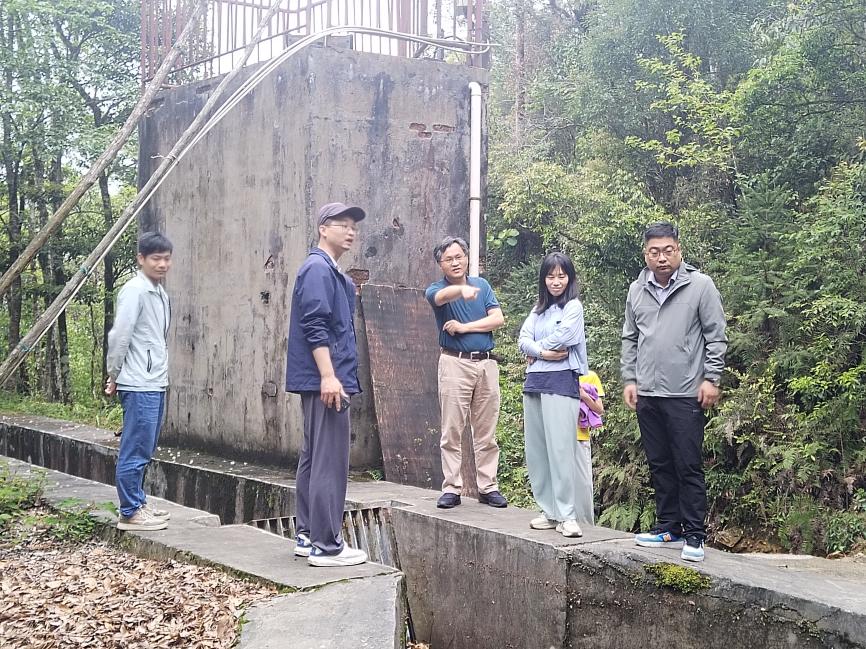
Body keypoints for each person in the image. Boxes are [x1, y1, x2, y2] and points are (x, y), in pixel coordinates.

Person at [621, 222, 727, 563]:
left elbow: (716, 336)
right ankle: (669, 526)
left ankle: (694, 534)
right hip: (647, 392)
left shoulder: (700, 286)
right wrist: (630, 379)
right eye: (655, 252)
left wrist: (711, 378)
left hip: (685, 393)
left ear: (679, 250)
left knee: (688, 464)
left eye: (668, 250)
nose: (662, 257)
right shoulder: (637, 289)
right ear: (645, 255)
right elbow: (630, 338)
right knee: (659, 463)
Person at [285, 202, 368, 567]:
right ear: (322, 228)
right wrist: (329, 376)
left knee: (314, 456)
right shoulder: (318, 269)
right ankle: (326, 545)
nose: (350, 231)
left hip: (323, 378)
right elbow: (315, 325)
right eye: (342, 224)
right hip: (327, 379)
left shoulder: (331, 272)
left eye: (354, 227)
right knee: (329, 461)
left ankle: (307, 536)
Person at [425, 236, 508, 509]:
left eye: (459, 256)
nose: (455, 262)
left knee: (486, 430)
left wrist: (464, 327)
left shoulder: (482, 286)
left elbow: (498, 319)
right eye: (448, 259)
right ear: (441, 264)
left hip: (486, 364)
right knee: (452, 429)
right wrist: (460, 291)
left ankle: (488, 486)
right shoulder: (436, 289)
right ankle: (452, 487)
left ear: (467, 257)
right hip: (454, 363)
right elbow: (440, 298)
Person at [105, 232, 173, 532]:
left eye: (166, 258)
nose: (162, 264)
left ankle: (138, 502)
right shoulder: (135, 291)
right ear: (141, 259)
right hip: (139, 382)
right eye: (156, 258)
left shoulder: (158, 292)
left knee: (146, 447)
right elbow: (120, 335)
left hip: (154, 380)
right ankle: (130, 511)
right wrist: (114, 373)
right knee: (135, 448)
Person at [519, 252, 589, 537]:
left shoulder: (573, 306)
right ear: (543, 280)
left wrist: (537, 349)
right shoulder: (537, 311)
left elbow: (566, 337)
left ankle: (567, 515)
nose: (556, 281)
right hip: (534, 382)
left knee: (561, 451)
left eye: (561, 276)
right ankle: (549, 511)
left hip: (561, 382)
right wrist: (543, 352)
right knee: (538, 452)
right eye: (550, 276)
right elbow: (522, 340)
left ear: (569, 278)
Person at [576, 370, 604, 524]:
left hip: (580, 436)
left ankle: (586, 524)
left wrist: (584, 395)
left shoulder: (590, 376)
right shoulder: (557, 374)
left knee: (584, 484)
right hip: (558, 436)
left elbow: (599, 409)